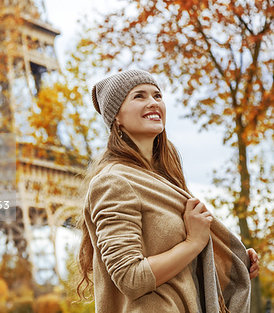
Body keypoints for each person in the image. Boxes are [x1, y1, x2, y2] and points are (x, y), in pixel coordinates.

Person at [77, 69, 259, 313]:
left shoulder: (165, 180)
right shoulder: (114, 182)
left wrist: (231, 262)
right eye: (139, 96)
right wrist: (194, 242)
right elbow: (131, 278)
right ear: (116, 117)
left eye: (157, 96)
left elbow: (181, 270)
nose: (153, 102)